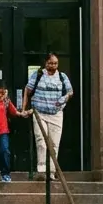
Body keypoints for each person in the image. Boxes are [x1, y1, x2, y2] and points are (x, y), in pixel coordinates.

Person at [23, 52, 73, 181]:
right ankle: (41, 171)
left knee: (54, 144)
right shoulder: (38, 75)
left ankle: (51, 171)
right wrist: (24, 109)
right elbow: (27, 91)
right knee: (41, 141)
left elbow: (70, 92)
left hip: (56, 114)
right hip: (39, 113)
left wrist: (64, 98)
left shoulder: (62, 77)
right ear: (45, 63)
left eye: (55, 63)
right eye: (50, 63)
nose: (53, 65)